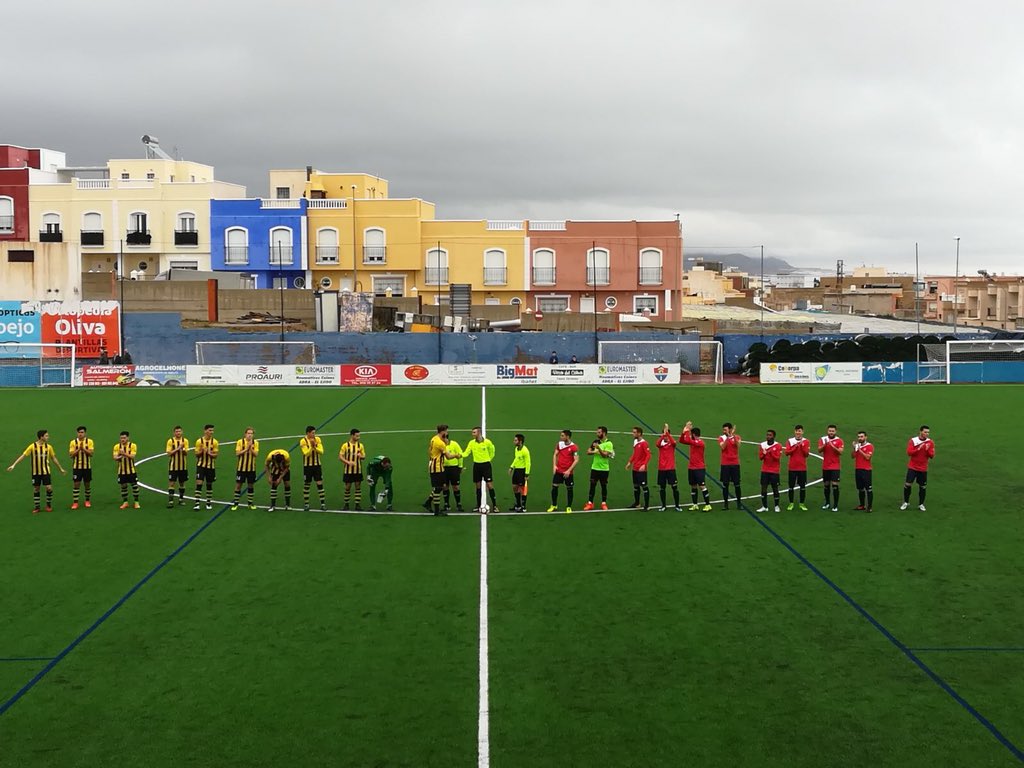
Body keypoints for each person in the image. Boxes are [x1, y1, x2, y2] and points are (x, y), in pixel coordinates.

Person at [7, 429, 65, 514]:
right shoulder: (32, 446)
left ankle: (48, 505)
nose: (48, 437)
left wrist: (60, 468)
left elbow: (53, 458)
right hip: (36, 473)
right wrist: (13, 465)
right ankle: (37, 507)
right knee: (36, 489)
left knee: (49, 488)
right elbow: (23, 456)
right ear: (41, 437)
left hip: (46, 472)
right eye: (46, 436)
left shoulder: (49, 447)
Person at [463, 427, 498, 513]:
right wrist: (458, 455)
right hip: (477, 466)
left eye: (474, 432)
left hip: (486, 466)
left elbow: (492, 451)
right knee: (477, 486)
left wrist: (488, 459)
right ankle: (478, 505)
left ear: (479, 433)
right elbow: (466, 453)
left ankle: (495, 506)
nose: (472, 434)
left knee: (489, 485)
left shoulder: (487, 442)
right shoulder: (471, 443)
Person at [901, 425, 935, 511]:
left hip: (923, 468)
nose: (927, 434)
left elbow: (932, 456)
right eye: (925, 432)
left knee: (922, 486)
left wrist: (927, 450)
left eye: (928, 432)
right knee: (908, 484)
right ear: (920, 432)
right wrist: (918, 449)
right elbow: (909, 452)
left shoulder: (930, 442)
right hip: (912, 467)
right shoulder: (913, 441)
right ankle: (906, 502)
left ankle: (921, 504)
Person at [681, 422, 712, 511]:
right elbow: (682, 440)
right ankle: (695, 504)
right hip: (691, 467)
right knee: (693, 486)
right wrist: (684, 432)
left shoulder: (700, 442)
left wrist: (687, 429)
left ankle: (708, 504)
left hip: (699, 468)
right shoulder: (693, 442)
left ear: (693, 434)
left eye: (691, 434)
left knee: (702, 486)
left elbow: (689, 440)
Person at [547, 429, 579, 513]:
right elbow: (555, 454)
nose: (560, 437)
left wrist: (569, 471)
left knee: (569, 489)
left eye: (562, 436)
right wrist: (554, 465)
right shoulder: (559, 444)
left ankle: (569, 507)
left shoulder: (574, 447)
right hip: (559, 470)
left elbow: (576, 460)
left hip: (568, 472)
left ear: (567, 436)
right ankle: (554, 505)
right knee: (554, 487)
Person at [583, 426, 615, 510]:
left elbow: (605, 455)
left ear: (603, 433)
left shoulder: (609, 443)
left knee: (603, 486)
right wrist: (594, 451)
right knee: (592, 486)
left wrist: (598, 448)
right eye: (597, 432)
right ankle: (590, 503)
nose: (597, 434)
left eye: (599, 432)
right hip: (594, 468)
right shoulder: (595, 441)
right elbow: (588, 452)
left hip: (604, 469)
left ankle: (603, 503)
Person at [231, 427, 260, 511]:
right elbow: (237, 453)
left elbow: (256, 454)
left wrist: (250, 448)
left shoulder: (256, 443)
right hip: (241, 468)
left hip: (251, 468)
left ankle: (250, 503)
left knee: (250, 485)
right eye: (248, 433)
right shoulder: (240, 442)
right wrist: (246, 449)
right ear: (245, 434)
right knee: (238, 485)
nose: (250, 435)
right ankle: (236, 503)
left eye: (251, 433)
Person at [299, 425, 326, 511]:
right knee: (307, 484)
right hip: (307, 467)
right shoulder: (303, 441)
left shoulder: (318, 439)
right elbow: (306, 454)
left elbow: (321, 451)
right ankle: (306, 504)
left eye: (315, 433)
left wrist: (314, 446)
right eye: (313, 433)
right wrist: (311, 446)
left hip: (317, 466)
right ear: (308, 433)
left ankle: (323, 504)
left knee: (319, 484)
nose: (314, 434)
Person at [192, 424, 219, 511]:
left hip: (211, 466)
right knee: (199, 483)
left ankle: (208, 502)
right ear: (205, 431)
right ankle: (197, 503)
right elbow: (196, 454)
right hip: (201, 465)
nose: (211, 432)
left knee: (209, 484)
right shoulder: (199, 441)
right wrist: (201, 451)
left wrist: (209, 453)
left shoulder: (214, 442)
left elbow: (216, 455)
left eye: (212, 430)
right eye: (210, 430)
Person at [655, 423, 681, 511]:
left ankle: (677, 505)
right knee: (662, 488)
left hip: (671, 469)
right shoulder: (660, 444)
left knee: (674, 487)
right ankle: (663, 506)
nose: (665, 437)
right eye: (664, 436)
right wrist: (663, 435)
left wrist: (668, 433)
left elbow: (674, 442)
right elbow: (657, 443)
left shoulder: (672, 444)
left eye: (666, 436)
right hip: (662, 469)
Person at [818, 424, 845, 512]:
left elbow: (840, 452)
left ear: (835, 432)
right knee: (826, 485)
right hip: (826, 466)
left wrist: (832, 446)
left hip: (835, 466)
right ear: (827, 431)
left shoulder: (839, 441)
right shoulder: (823, 439)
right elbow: (819, 450)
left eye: (833, 431)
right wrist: (825, 444)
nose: (831, 432)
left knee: (835, 485)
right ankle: (827, 503)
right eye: (830, 431)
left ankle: (835, 505)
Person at [339, 428, 366, 510]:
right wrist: (348, 462)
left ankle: (357, 505)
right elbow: (340, 456)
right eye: (357, 436)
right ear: (352, 435)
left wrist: (360, 456)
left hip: (358, 470)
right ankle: (346, 504)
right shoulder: (345, 445)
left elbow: (364, 456)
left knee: (358, 486)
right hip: (348, 470)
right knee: (348, 487)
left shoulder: (360, 445)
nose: (358, 437)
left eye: (359, 436)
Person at [784, 425, 810, 511]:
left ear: (802, 432)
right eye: (797, 431)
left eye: (800, 431)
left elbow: (806, 454)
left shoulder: (806, 441)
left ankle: (801, 503)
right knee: (791, 486)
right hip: (792, 467)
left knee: (802, 486)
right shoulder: (790, 441)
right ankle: (791, 503)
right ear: (794, 432)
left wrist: (801, 446)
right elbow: (787, 452)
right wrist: (795, 447)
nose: (798, 432)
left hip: (802, 468)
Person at [69, 425, 95, 509]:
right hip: (77, 467)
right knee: (76, 484)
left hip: (87, 467)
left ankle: (87, 501)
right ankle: (75, 502)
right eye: (79, 432)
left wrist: (83, 449)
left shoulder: (89, 441)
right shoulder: (73, 442)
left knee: (87, 484)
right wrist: (78, 449)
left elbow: (91, 454)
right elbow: (71, 455)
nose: (80, 434)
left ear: (85, 433)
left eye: (82, 432)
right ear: (77, 433)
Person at [426, 424, 449, 516]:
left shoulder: (434, 438)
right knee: (438, 488)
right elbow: (448, 456)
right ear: (442, 431)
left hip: (436, 466)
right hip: (437, 468)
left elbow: (429, 450)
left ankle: (428, 503)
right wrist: (457, 455)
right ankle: (436, 511)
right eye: (446, 431)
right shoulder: (440, 443)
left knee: (442, 486)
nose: (447, 433)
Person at [717, 422, 742, 509]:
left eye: (725, 429)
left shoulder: (737, 437)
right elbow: (723, 447)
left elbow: (738, 445)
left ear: (730, 429)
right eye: (723, 429)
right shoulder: (721, 438)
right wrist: (728, 437)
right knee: (725, 484)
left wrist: (733, 435)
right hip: (725, 464)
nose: (724, 431)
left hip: (735, 464)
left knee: (737, 484)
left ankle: (739, 503)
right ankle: (726, 504)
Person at [757, 429, 783, 513]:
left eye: (770, 435)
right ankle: (764, 506)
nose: (768, 436)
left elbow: (777, 458)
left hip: (774, 471)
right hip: (765, 470)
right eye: (767, 435)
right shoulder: (762, 445)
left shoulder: (778, 446)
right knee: (763, 489)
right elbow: (760, 458)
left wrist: (769, 452)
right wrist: (764, 453)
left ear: (774, 436)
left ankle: (776, 506)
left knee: (775, 488)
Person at [626, 426, 651, 510]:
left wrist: (644, 464)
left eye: (634, 432)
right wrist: (630, 462)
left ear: (639, 433)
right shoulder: (635, 441)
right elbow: (635, 453)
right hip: (635, 468)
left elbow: (648, 455)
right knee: (636, 486)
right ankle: (637, 503)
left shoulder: (644, 443)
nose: (633, 434)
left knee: (644, 486)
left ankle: (647, 506)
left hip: (641, 469)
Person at [113, 430, 140, 509]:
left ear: (128, 438)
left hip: (131, 470)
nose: (122, 439)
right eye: (121, 438)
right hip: (121, 470)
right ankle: (125, 502)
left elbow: (132, 456)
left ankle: (136, 502)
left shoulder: (133, 445)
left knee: (134, 486)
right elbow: (115, 457)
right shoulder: (117, 446)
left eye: (124, 438)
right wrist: (120, 456)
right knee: (123, 486)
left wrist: (123, 453)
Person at [165, 425, 190, 508]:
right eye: (176, 431)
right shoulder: (170, 441)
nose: (178, 433)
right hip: (173, 466)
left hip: (183, 466)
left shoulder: (185, 441)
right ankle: (171, 501)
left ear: (182, 432)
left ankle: (181, 499)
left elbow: (186, 453)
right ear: (174, 432)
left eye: (179, 431)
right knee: (171, 483)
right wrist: (178, 448)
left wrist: (182, 449)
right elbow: (168, 453)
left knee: (182, 483)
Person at [442, 432, 465, 512]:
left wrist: (460, 466)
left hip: (454, 468)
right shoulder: (441, 446)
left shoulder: (454, 444)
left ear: (446, 438)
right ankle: (446, 504)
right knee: (445, 486)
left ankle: (458, 504)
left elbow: (460, 454)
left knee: (455, 486)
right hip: (443, 468)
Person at [852, 430, 874, 512]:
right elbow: (852, 456)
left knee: (868, 489)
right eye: (858, 437)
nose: (860, 438)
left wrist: (860, 449)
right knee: (860, 488)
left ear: (865, 437)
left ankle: (870, 507)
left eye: (861, 437)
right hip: (858, 469)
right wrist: (854, 449)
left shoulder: (869, 446)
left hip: (866, 470)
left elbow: (867, 457)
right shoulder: (858, 446)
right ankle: (862, 505)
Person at [509, 433, 531, 512]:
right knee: (515, 487)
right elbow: (516, 459)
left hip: (522, 471)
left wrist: (527, 474)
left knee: (522, 489)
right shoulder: (516, 449)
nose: (514, 442)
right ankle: (518, 504)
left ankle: (523, 506)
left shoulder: (525, 450)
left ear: (520, 441)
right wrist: (511, 467)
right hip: (516, 470)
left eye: (515, 440)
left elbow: (528, 463)